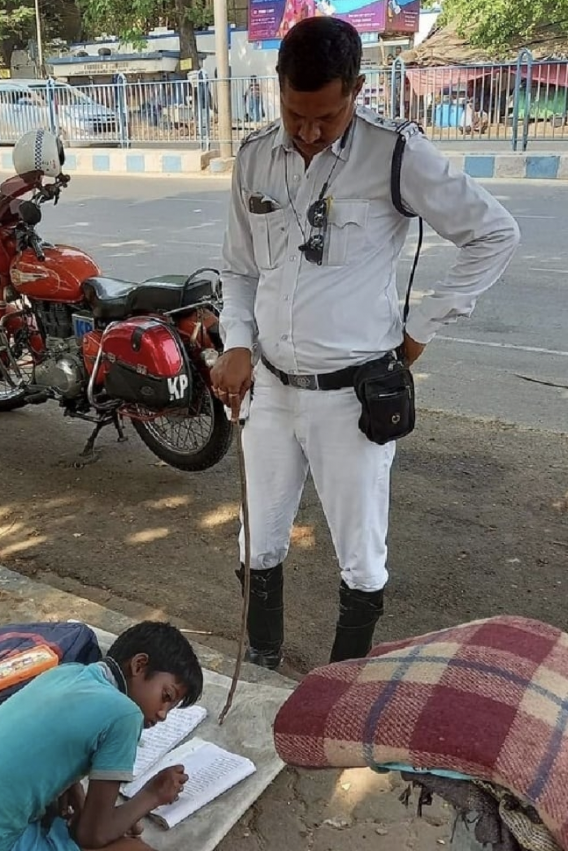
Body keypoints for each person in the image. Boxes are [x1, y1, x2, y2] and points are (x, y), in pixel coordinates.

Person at [211, 17, 520, 670]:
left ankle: (342, 682)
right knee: (256, 539)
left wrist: (422, 327)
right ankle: (261, 662)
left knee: (360, 552)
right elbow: (238, 268)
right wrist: (236, 340)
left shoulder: (394, 152)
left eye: (325, 115)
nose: (309, 132)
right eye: (296, 114)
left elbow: (492, 232)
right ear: (278, 87)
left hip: (351, 397)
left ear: (355, 88)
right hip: (268, 387)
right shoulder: (253, 156)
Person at [0, 621, 203, 851]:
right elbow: (92, 835)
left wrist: (74, 791)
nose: (163, 714)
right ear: (139, 665)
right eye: (165, 697)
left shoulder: (67, 672)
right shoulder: (125, 715)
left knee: (114, 835)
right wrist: (152, 795)